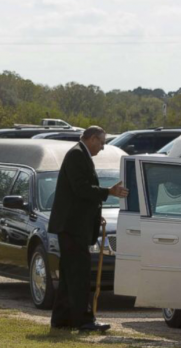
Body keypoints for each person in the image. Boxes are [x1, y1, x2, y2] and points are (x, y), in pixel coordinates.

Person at [48, 126, 129, 332]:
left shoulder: (79, 154)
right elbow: (81, 188)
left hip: (73, 225)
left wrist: (94, 213)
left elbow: (79, 195)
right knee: (80, 275)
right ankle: (84, 320)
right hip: (71, 227)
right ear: (92, 139)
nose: (102, 148)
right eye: (101, 142)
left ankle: (61, 318)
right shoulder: (77, 154)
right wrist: (108, 192)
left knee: (69, 275)